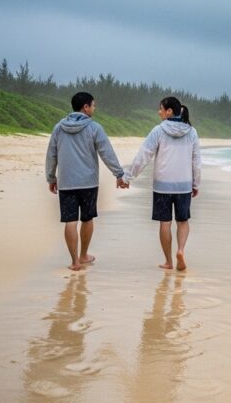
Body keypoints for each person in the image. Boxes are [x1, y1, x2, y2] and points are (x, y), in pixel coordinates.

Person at [45, 91, 129, 271]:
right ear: (86, 107)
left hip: (66, 182)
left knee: (70, 220)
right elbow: (106, 153)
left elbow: (51, 154)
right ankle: (84, 255)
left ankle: (74, 261)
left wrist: (51, 178)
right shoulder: (94, 128)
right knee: (87, 218)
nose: (94, 108)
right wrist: (119, 174)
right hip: (88, 182)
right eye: (93, 105)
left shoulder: (59, 128)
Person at [123, 96, 201, 271]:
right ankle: (180, 250)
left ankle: (169, 261)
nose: (158, 112)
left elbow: (144, 156)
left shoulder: (158, 131)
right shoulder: (192, 132)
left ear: (169, 111)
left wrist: (128, 177)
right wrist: (196, 184)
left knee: (164, 223)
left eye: (160, 109)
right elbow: (196, 161)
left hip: (162, 185)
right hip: (183, 185)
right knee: (182, 221)